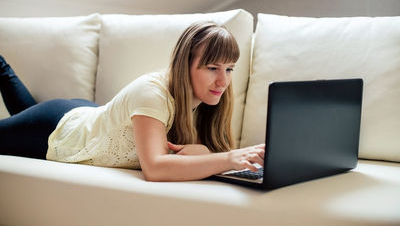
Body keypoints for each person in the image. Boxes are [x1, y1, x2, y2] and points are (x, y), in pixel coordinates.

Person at [0, 21, 264, 182]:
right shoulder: (153, 93)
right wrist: (228, 158)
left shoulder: (210, 100)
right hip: (57, 127)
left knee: (24, 110)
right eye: (212, 68)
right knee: (18, 122)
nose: (223, 81)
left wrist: (209, 153)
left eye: (229, 69)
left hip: (96, 118)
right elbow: (156, 168)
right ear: (185, 64)